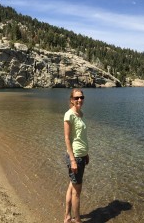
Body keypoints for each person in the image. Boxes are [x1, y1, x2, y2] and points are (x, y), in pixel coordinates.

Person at [63, 88, 89, 223]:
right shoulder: (69, 115)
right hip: (76, 157)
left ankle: (67, 216)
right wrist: (73, 160)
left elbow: (80, 137)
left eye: (81, 97)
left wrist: (86, 154)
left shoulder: (80, 114)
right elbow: (67, 139)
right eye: (76, 98)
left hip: (81, 156)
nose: (79, 100)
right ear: (71, 100)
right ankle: (77, 220)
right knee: (77, 192)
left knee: (72, 187)